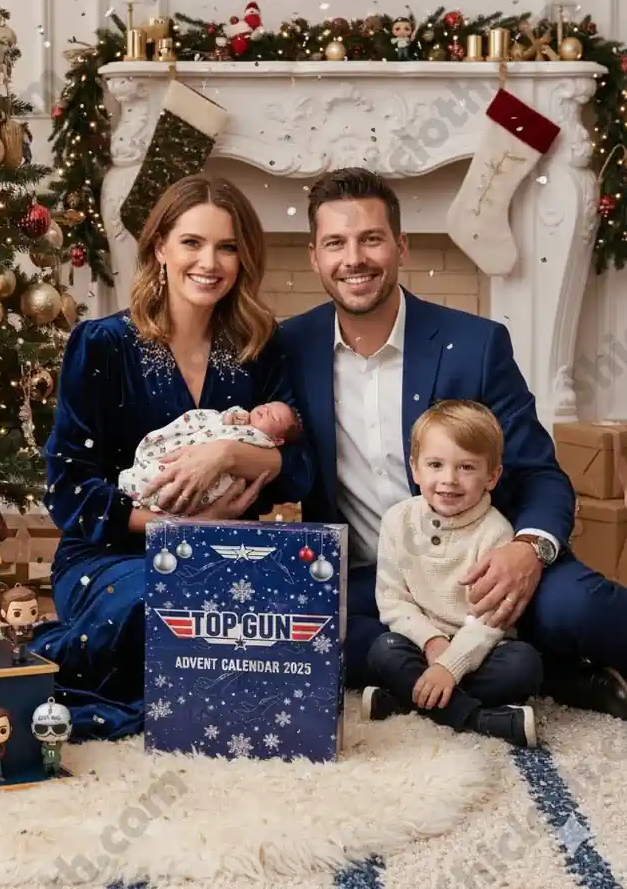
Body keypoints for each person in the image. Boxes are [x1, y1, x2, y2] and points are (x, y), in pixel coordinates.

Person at [279, 166, 627, 719]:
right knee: (303, 630)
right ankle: (545, 671)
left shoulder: (475, 344)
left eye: (371, 238)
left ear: (400, 247)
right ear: (315, 257)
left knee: (579, 606)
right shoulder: (289, 347)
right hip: (380, 584)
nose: (355, 259)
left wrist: (526, 550)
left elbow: (539, 472)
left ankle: (485, 664)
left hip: (485, 565)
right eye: (335, 243)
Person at [30, 174, 316, 738]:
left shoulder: (260, 349)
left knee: (281, 615)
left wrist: (229, 453)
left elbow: (300, 472)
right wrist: (177, 528)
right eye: (192, 242)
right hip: (114, 557)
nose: (210, 262)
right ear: (159, 246)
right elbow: (69, 490)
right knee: (163, 602)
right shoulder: (104, 344)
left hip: (229, 556)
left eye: (227, 247)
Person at [365, 400, 543, 747]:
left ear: (492, 476)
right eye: (435, 465)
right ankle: (481, 720)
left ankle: (406, 700)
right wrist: (432, 643)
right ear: (415, 470)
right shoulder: (397, 521)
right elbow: (392, 601)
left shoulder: (495, 532)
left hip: (478, 649)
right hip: (422, 643)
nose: (448, 479)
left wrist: (451, 665)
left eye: (466, 467)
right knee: (382, 651)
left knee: (524, 665)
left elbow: (491, 619)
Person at [118, 401, 301, 512]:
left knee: (179, 486)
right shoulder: (240, 415)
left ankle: (144, 490)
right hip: (193, 445)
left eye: (274, 417)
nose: (266, 411)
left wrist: (229, 452)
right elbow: (216, 422)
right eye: (267, 406)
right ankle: (141, 480)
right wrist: (228, 419)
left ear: (277, 440)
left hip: (213, 478)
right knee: (168, 461)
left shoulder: (261, 441)